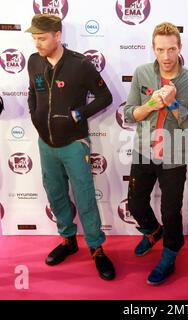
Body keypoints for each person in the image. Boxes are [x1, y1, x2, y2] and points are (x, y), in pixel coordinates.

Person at [26, 14, 115, 281]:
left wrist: (81, 114)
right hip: (46, 144)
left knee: (85, 197)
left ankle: (96, 248)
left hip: (74, 145)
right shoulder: (33, 61)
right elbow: (32, 91)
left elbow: (105, 96)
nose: (37, 43)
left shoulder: (80, 65)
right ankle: (68, 240)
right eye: (34, 38)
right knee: (55, 193)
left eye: (41, 38)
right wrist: (34, 114)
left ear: (57, 35)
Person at [124, 22, 188, 285]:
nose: (167, 56)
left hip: (175, 156)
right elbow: (129, 114)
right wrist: (150, 104)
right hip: (143, 151)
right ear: (153, 49)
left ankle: (170, 254)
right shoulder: (142, 73)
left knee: (171, 211)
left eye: (172, 49)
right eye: (161, 49)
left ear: (180, 47)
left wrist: (173, 104)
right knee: (136, 203)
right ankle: (152, 231)